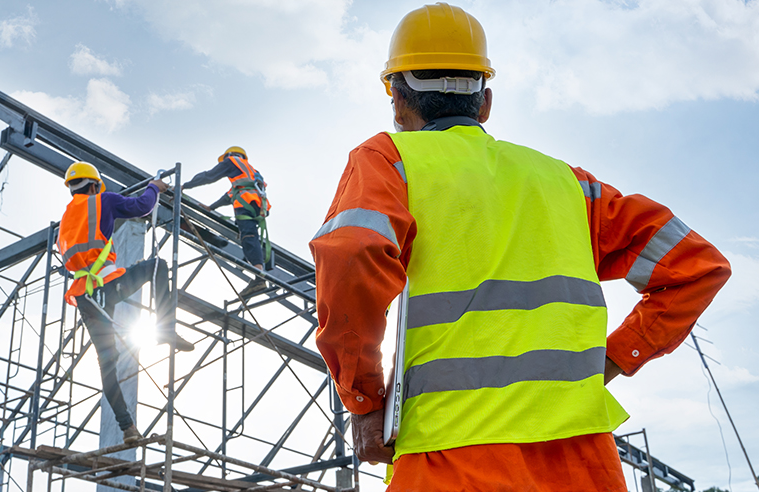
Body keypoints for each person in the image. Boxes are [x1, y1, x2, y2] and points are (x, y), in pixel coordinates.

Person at [308, 4, 731, 491]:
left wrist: (364, 401)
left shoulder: (388, 160)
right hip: (583, 461)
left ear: (398, 101)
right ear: (485, 102)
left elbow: (352, 252)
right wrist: (611, 360)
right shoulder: (567, 183)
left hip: (451, 456)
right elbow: (698, 267)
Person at [58, 161, 195, 443]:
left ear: (71, 188)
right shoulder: (103, 200)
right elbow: (142, 208)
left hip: (85, 295)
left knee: (106, 363)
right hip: (107, 283)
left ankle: (128, 429)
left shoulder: (67, 218)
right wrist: (154, 188)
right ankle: (165, 328)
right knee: (157, 266)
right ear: (94, 185)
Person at [183, 146, 272, 297]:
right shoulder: (251, 173)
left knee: (248, 236)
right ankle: (259, 275)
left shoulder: (231, 161)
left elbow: (209, 176)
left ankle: (259, 275)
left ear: (230, 155)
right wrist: (211, 207)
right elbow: (230, 195)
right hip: (257, 205)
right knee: (250, 235)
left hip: (246, 204)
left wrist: (185, 185)